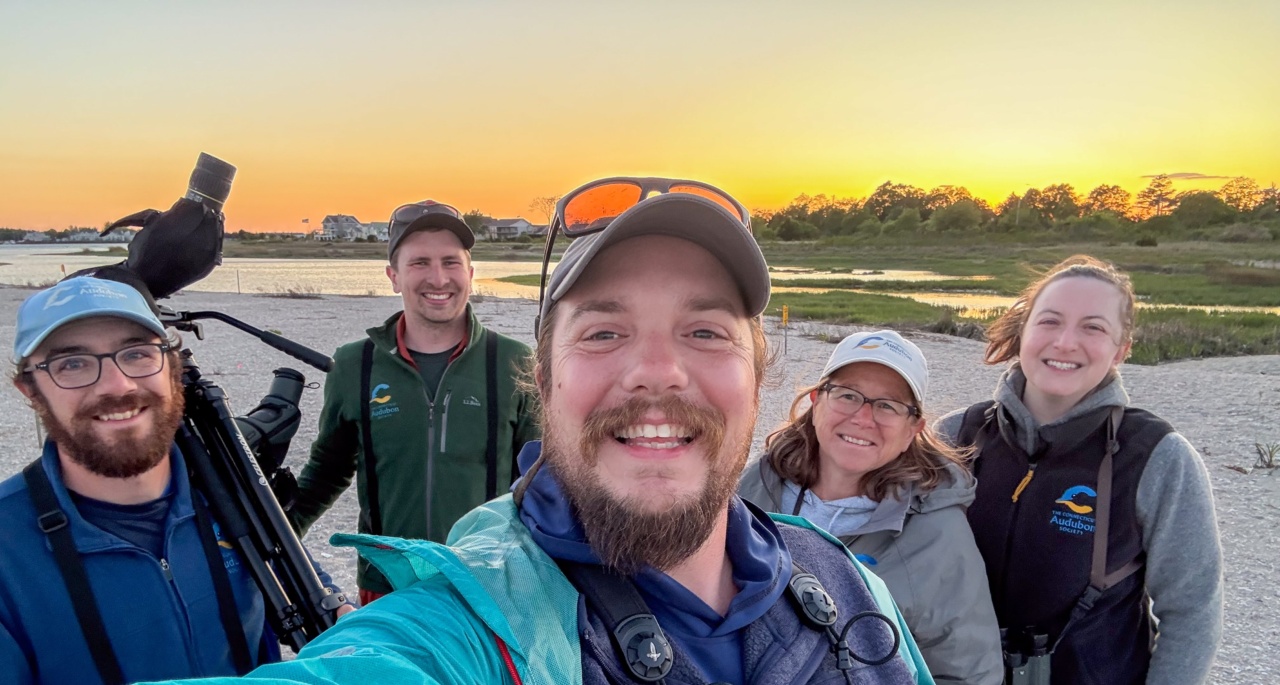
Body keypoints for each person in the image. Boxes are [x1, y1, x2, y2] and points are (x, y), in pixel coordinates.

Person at [139, 177, 937, 684]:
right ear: (548, 383)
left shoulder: (847, 584)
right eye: (603, 331)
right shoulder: (470, 636)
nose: (656, 371)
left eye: (705, 331)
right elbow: (330, 473)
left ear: (758, 380)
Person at [0, 276, 352, 685]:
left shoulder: (236, 493)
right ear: (30, 390)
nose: (117, 385)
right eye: (73, 364)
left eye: (137, 353)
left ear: (172, 367)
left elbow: (318, 596)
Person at [935, 255, 1223, 685]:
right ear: (1023, 331)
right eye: (1049, 321)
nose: (1066, 342)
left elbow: (1192, 611)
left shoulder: (1157, 456)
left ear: (1121, 350)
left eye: (1093, 327)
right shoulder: (956, 434)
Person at [289, 200, 540, 605]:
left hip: (489, 586)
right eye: (420, 262)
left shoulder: (514, 361)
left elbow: (542, 478)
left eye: (450, 262)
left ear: (470, 273)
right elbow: (326, 472)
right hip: (387, 586)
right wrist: (273, 541)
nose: (438, 278)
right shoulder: (355, 365)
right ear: (394, 276)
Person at [740, 329, 1002, 684]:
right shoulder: (755, 486)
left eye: (887, 405)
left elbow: (969, 673)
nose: (863, 418)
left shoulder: (937, 533)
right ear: (816, 402)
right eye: (848, 395)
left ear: (913, 429)